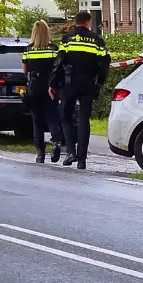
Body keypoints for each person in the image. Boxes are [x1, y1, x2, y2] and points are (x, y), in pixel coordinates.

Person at [49, 11, 110, 170]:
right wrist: (99, 82)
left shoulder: (67, 39)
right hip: (88, 83)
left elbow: (59, 63)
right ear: (88, 22)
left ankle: (70, 151)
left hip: (69, 83)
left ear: (76, 22)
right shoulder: (97, 40)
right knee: (84, 120)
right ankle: (82, 159)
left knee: (66, 117)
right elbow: (104, 64)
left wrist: (52, 84)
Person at [21, 20, 64, 164]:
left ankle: (40, 153)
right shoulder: (53, 48)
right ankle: (57, 141)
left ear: (34, 33)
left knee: (37, 120)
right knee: (52, 116)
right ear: (47, 32)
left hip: (34, 86)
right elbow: (58, 67)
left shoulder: (28, 50)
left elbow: (24, 70)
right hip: (49, 86)